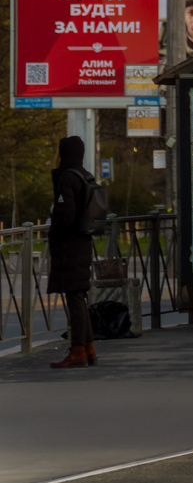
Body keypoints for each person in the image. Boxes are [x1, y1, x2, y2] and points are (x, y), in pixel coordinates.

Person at [48, 136, 96, 369]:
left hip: (69, 246)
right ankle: (88, 348)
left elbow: (65, 214)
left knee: (75, 298)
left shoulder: (67, 177)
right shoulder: (85, 175)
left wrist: (52, 233)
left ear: (64, 153)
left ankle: (78, 352)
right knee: (80, 297)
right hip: (83, 242)